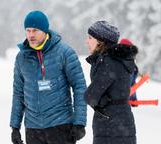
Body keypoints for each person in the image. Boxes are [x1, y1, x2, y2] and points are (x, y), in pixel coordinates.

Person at [10, 10, 87, 144]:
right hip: (33, 129)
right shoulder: (22, 57)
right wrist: (15, 127)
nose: (31, 35)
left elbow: (79, 87)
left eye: (35, 30)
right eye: (28, 30)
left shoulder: (64, 52)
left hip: (60, 126)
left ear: (45, 30)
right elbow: (18, 93)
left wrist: (79, 122)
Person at [84, 21, 136, 144]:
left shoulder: (108, 62)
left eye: (90, 38)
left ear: (100, 42)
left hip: (110, 128)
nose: (87, 41)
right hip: (120, 125)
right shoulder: (117, 60)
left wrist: (100, 101)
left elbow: (91, 96)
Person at [119, 38, 139, 106]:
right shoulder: (131, 64)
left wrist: (133, 100)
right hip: (119, 102)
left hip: (120, 101)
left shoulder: (116, 61)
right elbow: (132, 84)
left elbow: (132, 84)